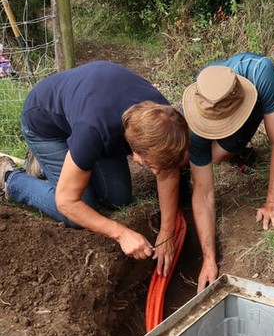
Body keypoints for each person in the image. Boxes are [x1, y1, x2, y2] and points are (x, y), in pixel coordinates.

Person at [0, 61, 190, 275]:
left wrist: (167, 231)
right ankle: (11, 178)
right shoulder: (94, 130)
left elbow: (167, 172)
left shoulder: (162, 119)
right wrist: (121, 233)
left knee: (117, 199)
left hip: (88, 110)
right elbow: (66, 202)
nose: (156, 172)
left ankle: (66, 164)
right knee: (80, 209)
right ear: (133, 147)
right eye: (150, 165)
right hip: (45, 125)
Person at [181, 52, 274, 292]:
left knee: (222, 154)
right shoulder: (198, 113)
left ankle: (235, 146)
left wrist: (273, 201)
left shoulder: (263, 73)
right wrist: (209, 259)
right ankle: (225, 148)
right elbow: (204, 191)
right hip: (221, 105)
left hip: (250, 99)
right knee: (215, 158)